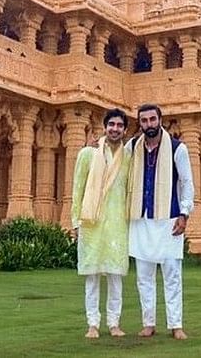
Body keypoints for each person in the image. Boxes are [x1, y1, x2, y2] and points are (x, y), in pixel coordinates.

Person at [127, 104, 194, 340]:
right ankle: (149, 323)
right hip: (141, 217)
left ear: (160, 120)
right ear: (140, 123)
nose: (149, 125)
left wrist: (185, 214)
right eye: (144, 121)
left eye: (152, 119)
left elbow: (186, 183)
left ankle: (176, 325)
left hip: (169, 219)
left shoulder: (178, 148)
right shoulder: (133, 147)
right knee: (143, 276)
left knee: (172, 274)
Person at [71, 108, 131, 339]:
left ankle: (114, 323)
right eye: (111, 125)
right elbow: (78, 189)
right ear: (104, 127)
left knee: (116, 277)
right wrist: (76, 222)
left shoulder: (128, 158)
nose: (115, 129)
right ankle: (93, 323)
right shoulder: (88, 154)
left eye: (119, 125)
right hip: (91, 221)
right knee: (92, 276)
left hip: (117, 223)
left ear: (125, 130)